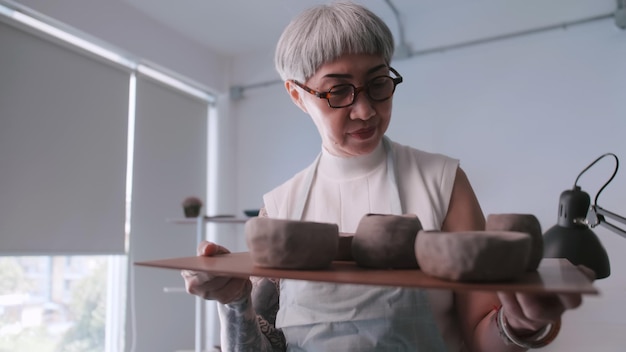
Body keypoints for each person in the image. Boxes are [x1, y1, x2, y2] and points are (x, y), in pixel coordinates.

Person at [182, 2, 591, 351]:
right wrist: (236, 303)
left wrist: (520, 325)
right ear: (297, 95)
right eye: (338, 91)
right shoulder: (281, 206)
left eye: (378, 83)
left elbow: (479, 333)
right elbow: (267, 343)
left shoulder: (442, 182)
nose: (365, 110)